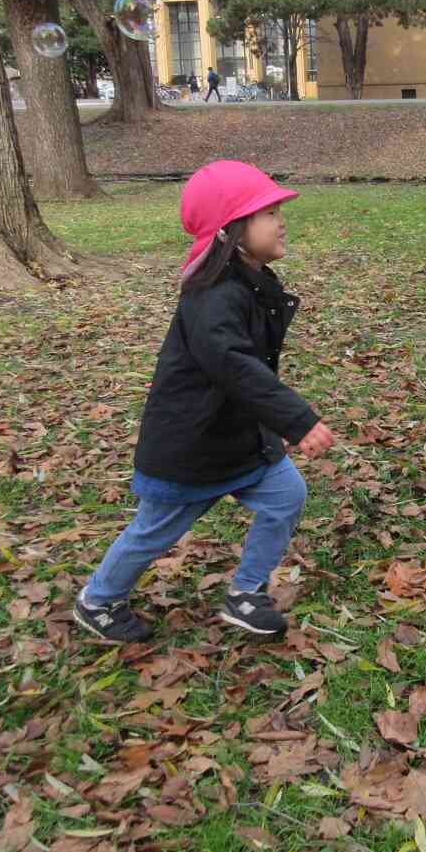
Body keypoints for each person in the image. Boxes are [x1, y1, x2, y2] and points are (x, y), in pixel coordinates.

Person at [74, 160, 336, 644]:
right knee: (155, 531)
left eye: (278, 209)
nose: (281, 220)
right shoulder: (212, 297)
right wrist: (296, 420)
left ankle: (246, 592)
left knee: (286, 495)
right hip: (191, 445)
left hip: (236, 436)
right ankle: (99, 600)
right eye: (267, 212)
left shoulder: (252, 282)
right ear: (231, 232)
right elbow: (235, 366)